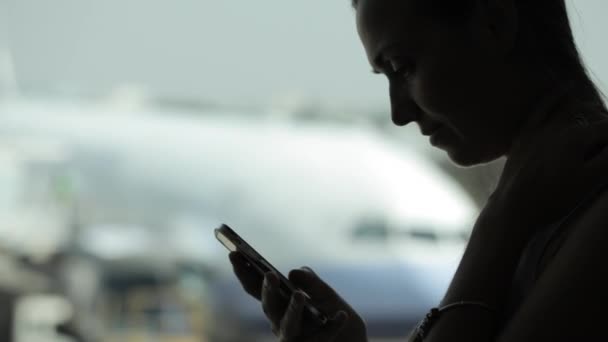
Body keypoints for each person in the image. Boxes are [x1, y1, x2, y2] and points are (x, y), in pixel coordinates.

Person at [229, 0, 608, 340]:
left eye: (402, 67)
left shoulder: (563, 216)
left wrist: (498, 226)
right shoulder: (545, 204)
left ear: (494, 25)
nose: (399, 113)